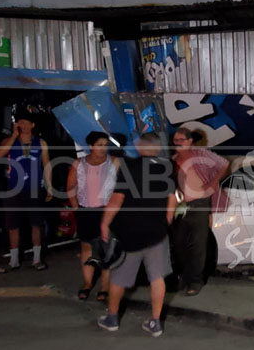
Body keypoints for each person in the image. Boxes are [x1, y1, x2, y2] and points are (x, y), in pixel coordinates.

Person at [97, 133, 177, 337]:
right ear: (158, 148)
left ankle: (112, 319)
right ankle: (155, 322)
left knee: (119, 278)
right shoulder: (167, 168)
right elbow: (172, 199)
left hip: (129, 233)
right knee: (157, 278)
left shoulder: (129, 166)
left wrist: (105, 223)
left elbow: (117, 199)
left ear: (140, 147)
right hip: (157, 233)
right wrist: (166, 221)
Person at [171, 128, 230, 296]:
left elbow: (224, 164)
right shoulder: (174, 159)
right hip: (181, 206)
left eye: (181, 139)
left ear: (189, 141)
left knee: (198, 244)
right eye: (175, 140)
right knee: (179, 243)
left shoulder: (201, 154)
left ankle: (195, 281)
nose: (177, 143)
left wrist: (212, 183)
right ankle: (184, 276)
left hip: (200, 203)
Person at [0, 105, 53, 273]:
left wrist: (49, 187)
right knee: (13, 225)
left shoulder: (41, 143)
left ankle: (36, 259)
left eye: (27, 123)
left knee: (36, 224)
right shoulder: (10, 141)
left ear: (32, 125)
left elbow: (47, 165)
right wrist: (13, 135)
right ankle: (14, 260)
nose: (24, 125)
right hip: (14, 189)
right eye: (20, 122)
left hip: (34, 189)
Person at [66, 131, 119, 301]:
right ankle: (87, 283)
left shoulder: (114, 162)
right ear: (90, 146)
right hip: (85, 210)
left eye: (105, 145)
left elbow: (122, 188)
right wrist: (76, 208)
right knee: (87, 248)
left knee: (106, 249)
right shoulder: (79, 164)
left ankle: (104, 286)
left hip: (107, 212)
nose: (103, 148)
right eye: (100, 145)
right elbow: (70, 187)